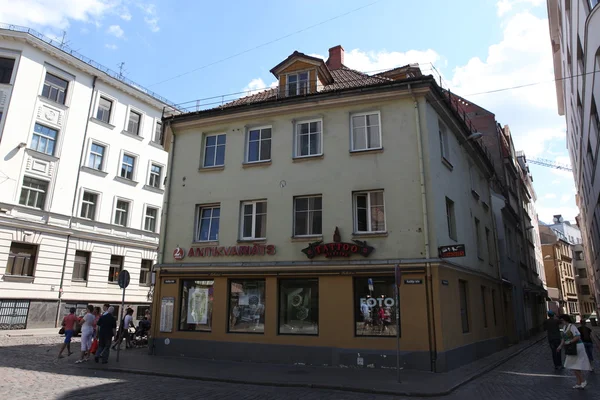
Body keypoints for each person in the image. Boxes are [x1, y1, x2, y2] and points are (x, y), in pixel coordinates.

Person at [557, 314, 592, 389]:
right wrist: (560, 346)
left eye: (562, 320)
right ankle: (579, 382)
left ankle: (582, 381)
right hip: (571, 348)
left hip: (577, 347)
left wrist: (570, 342)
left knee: (575, 365)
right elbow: (563, 338)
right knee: (574, 366)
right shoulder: (564, 327)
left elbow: (577, 336)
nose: (561, 321)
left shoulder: (572, 327)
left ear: (565, 320)